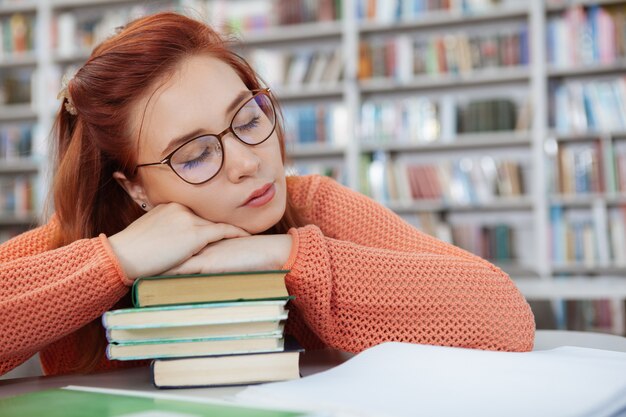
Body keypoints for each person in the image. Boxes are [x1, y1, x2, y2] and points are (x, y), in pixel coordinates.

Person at [0, 12, 534, 377]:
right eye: (194, 155)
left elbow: (504, 318)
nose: (250, 162)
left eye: (249, 118)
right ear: (134, 186)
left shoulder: (312, 206)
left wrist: (283, 254)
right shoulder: (76, 245)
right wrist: (115, 260)